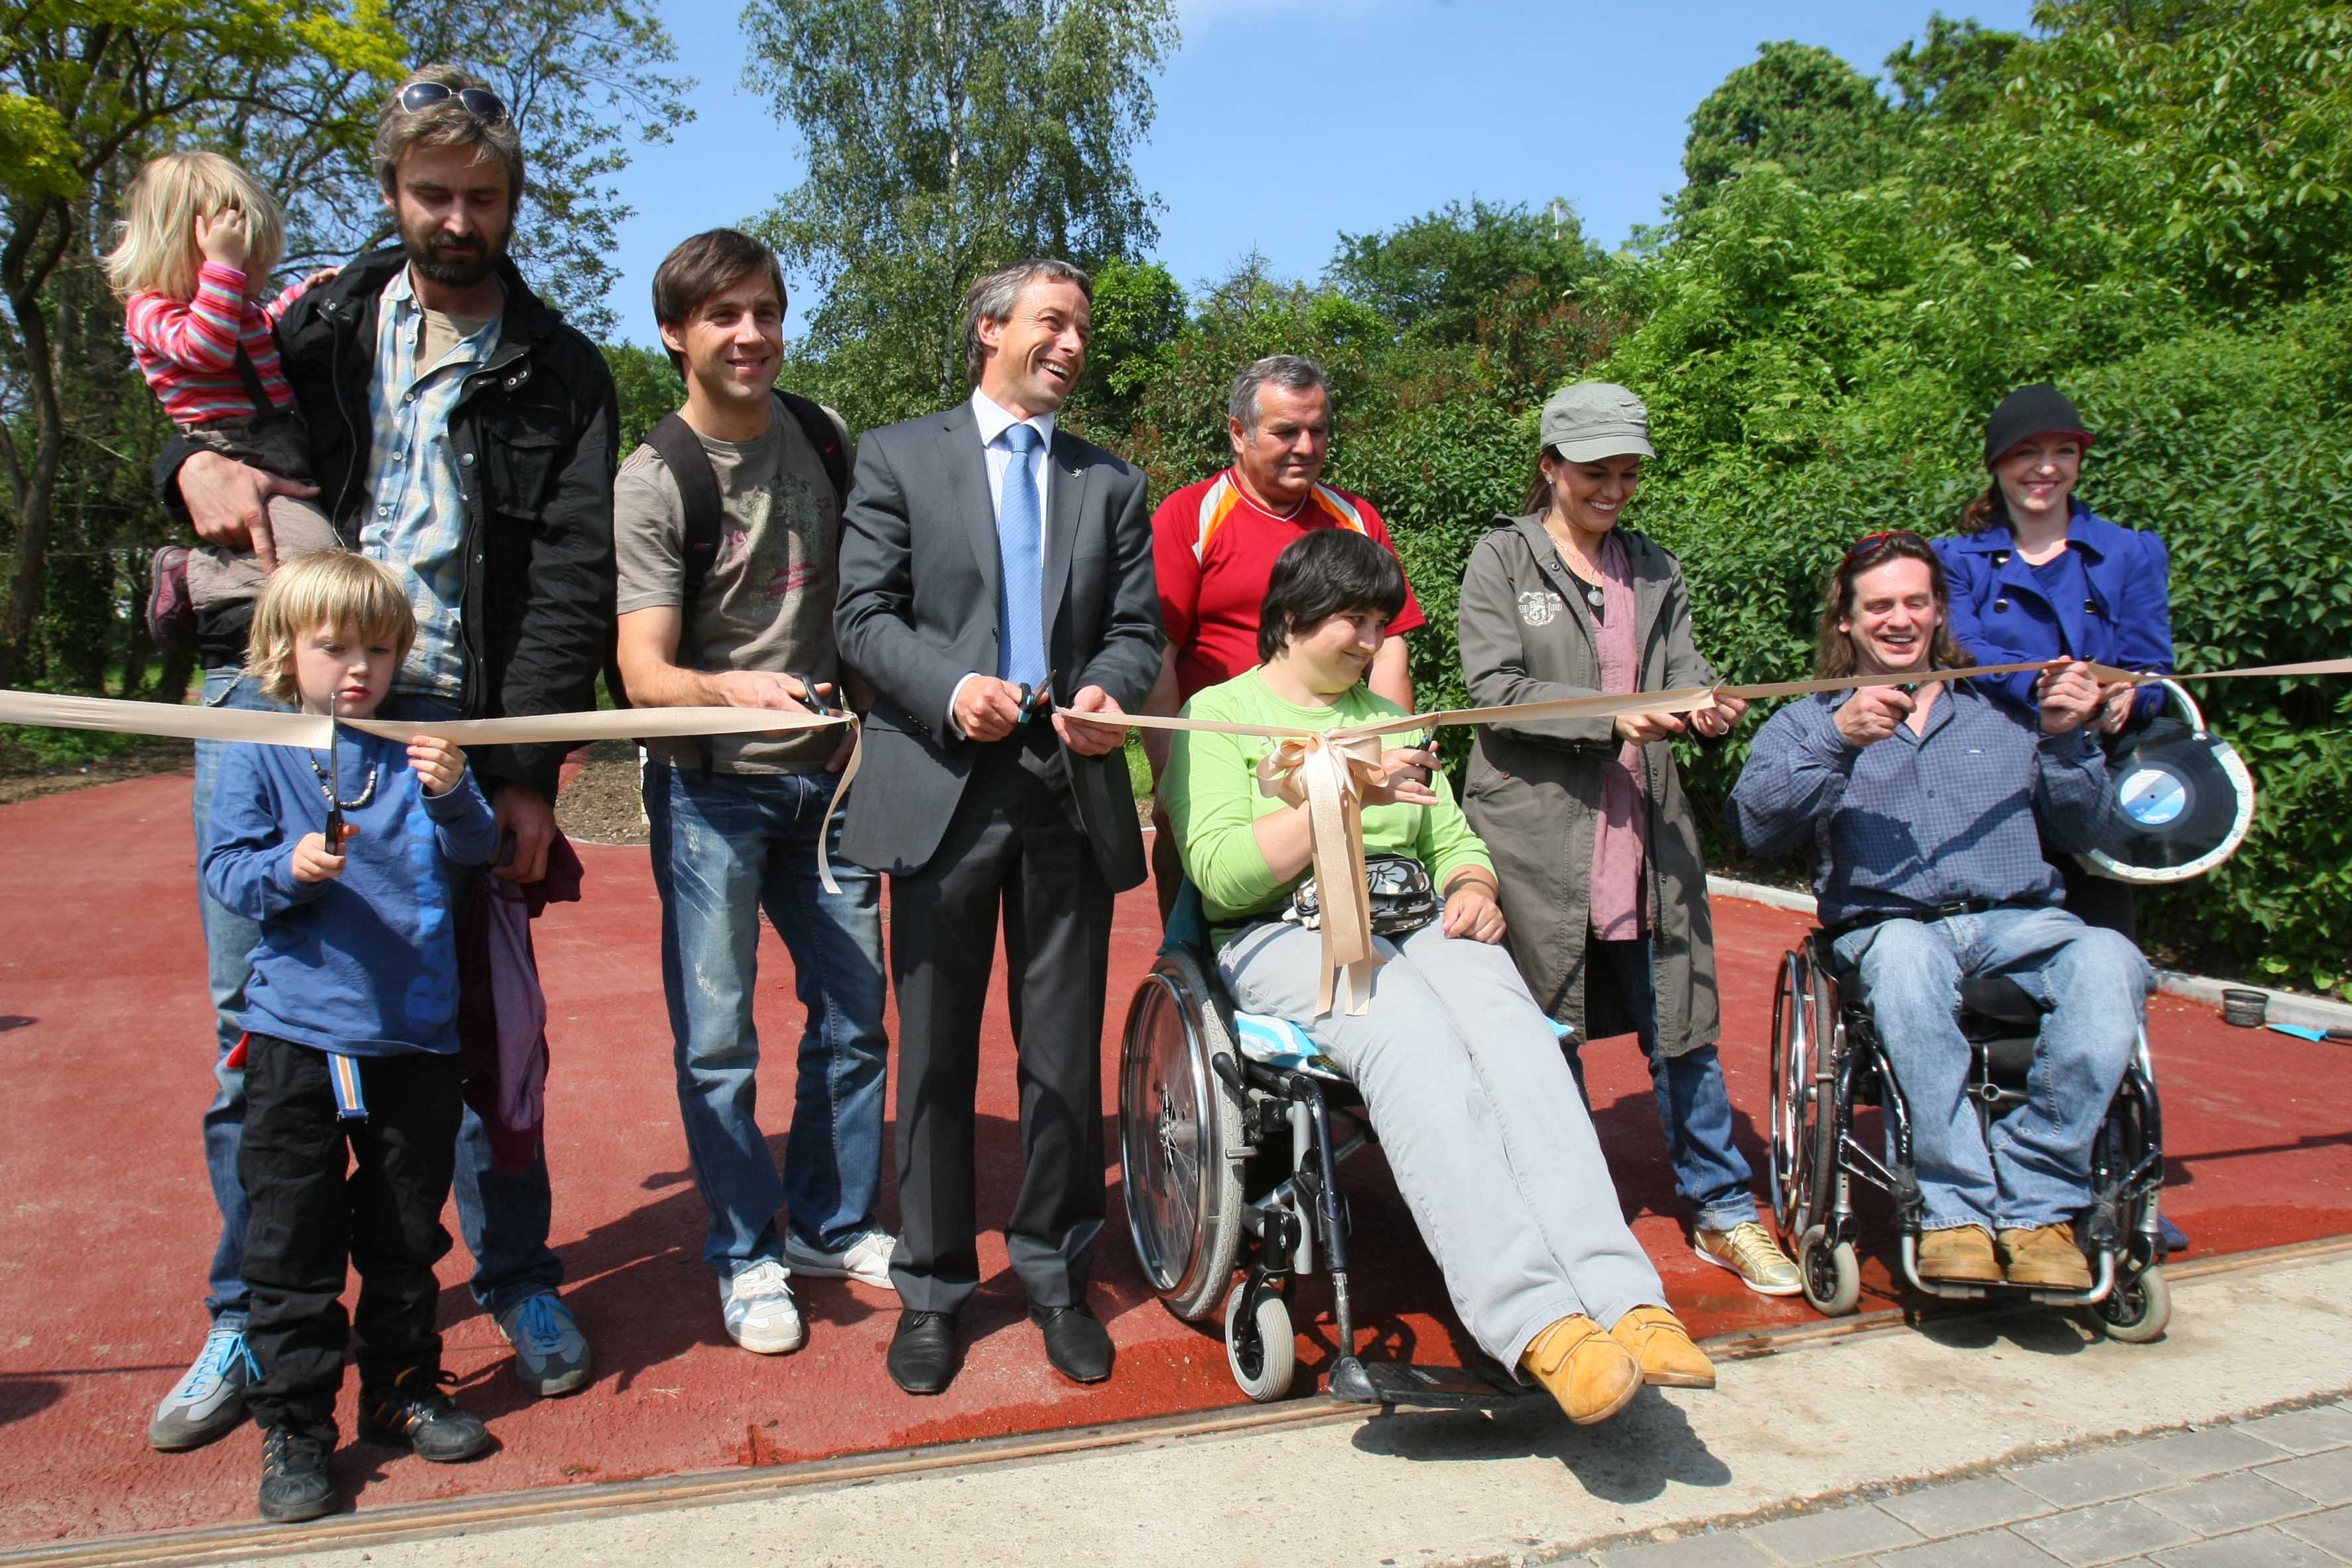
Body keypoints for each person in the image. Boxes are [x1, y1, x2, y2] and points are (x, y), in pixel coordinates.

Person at [149, 66, 613, 1450]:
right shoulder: (321, 318)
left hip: (446, 732)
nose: (456, 218)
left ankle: (515, 1278)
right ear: (394, 192)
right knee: (262, 1035)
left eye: (481, 197)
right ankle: (252, 1311)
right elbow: (198, 425)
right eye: (431, 193)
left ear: (514, 202)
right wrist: (184, 472)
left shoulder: (563, 367)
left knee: (482, 1044)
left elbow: (574, 574)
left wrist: (522, 773)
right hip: (280, 710)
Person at [1161, 527, 1715, 1426]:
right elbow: (1222, 875)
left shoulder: (1389, 720)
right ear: (1292, 617)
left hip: (1413, 917)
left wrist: (1472, 887)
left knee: (1516, 1037)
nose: (1373, 643)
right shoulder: (1215, 717)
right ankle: (1537, 1321)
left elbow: (1450, 840)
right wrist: (1348, 796)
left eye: (1382, 623)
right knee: (1414, 1045)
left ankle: (1625, 1300)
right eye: (1354, 620)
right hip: (1284, 929)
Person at [835, 258, 1161, 1396]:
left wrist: (1113, 690)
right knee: (930, 1056)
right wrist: (947, 685)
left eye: (1084, 328)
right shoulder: (896, 455)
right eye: (1052, 322)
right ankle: (931, 1286)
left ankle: (1056, 1273)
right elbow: (862, 616)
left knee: (1062, 1056)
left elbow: (1135, 631)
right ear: (989, 329)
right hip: (938, 781)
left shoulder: (1111, 483)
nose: (1072, 343)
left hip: (1065, 789)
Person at [1726, 531, 2152, 1291]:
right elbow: (1754, 829)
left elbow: (2091, 834)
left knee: (2112, 959)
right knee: (1906, 955)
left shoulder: (2003, 710)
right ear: (1847, 622)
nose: (1899, 619)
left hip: (2018, 921)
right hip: (1890, 928)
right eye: (1879, 605)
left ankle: (2039, 1205)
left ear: (1939, 613)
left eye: (1915, 602)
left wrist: (2066, 741)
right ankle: (1954, 1210)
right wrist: (1836, 743)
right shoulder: (1806, 719)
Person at [612, 228, 892, 1356]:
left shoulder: (825, 437)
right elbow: (643, 674)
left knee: (858, 1014)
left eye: (766, 310)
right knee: (719, 1038)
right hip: (712, 793)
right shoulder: (655, 479)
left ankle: (829, 1220)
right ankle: (746, 1250)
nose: (751, 334)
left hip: (828, 788)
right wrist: (731, 691)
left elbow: (871, 605)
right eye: (724, 315)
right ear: (676, 333)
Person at [1454, 382, 1799, 1299]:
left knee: (1682, 1027)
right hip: (1536, 841)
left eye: (1626, 475)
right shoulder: (1500, 560)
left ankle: (1725, 1212)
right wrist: (1616, 721)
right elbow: (1493, 692)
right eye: (1594, 473)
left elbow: (1684, 670)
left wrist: (1707, 704)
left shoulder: (1655, 568)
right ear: (1549, 468)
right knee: (1543, 1037)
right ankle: (1573, 1225)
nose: (1612, 490)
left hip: (1647, 835)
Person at [202, 553, 500, 1523]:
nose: (358, 668)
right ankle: (294, 1425)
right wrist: (288, 867)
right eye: (334, 648)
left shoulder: (420, 737)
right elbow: (228, 869)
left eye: (379, 647)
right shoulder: (258, 738)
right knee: (291, 1238)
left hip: (413, 1034)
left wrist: (457, 792)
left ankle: (404, 1388)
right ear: (286, 649)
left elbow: (477, 849)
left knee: (407, 1231)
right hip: (296, 1033)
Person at [1143, 355, 1425, 915]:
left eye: (1318, 430)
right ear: (1238, 433)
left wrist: (1393, 754)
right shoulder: (1189, 515)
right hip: (1222, 766)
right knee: (1201, 937)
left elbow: (1390, 642)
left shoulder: (1355, 518)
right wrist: (1172, 782)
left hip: (1341, 767)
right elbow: (1158, 655)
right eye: (1286, 431)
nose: (1305, 446)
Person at [1935, 383, 2174, 937]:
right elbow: (1963, 651)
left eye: (2063, 451)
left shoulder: (2132, 552)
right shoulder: (1952, 560)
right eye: (2026, 453)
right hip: (1988, 781)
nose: (2046, 468)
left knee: (2102, 953)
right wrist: (2052, 689)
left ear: (2080, 460)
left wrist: (2129, 694)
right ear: (1996, 464)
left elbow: (2155, 671)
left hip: (2089, 780)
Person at [103, 151, 342, 630]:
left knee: (313, 556)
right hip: (234, 448)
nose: (252, 275)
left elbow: (266, 331)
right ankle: (192, 576)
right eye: (244, 257)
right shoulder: (150, 309)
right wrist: (224, 268)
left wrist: (303, 295)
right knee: (313, 561)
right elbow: (206, 349)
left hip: (280, 442)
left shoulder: (238, 306)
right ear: (183, 246)